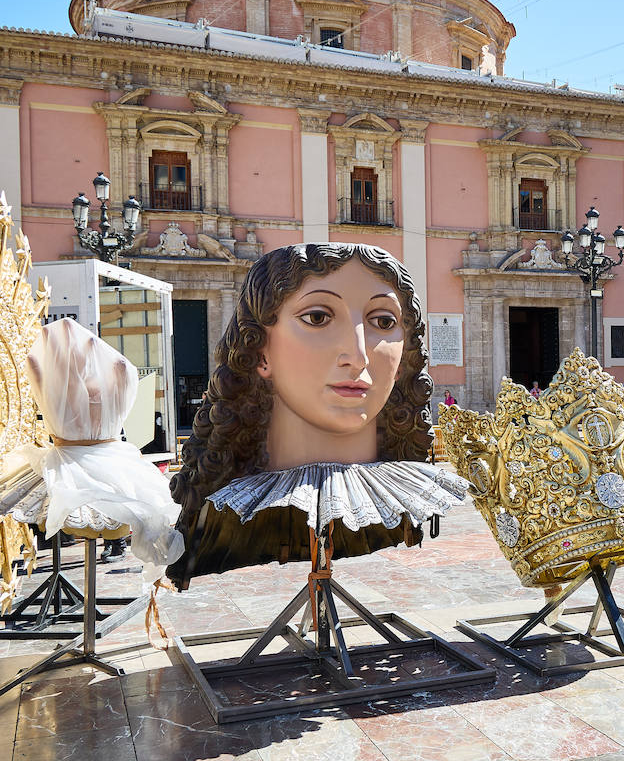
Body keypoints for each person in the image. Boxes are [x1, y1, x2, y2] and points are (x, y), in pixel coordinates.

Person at [169, 242, 434, 583]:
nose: (358, 356)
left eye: (383, 321)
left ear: (403, 359)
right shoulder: (226, 509)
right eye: (318, 317)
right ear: (261, 351)